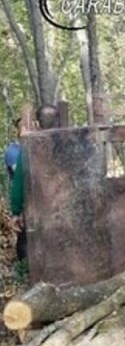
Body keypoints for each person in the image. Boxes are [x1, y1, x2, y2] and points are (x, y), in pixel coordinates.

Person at [10, 105, 59, 262]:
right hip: (63, 208)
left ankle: (28, 270)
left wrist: (16, 211)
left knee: (30, 245)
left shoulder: (29, 148)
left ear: (37, 123)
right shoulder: (70, 143)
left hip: (37, 208)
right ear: (58, 121)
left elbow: (18, 183)